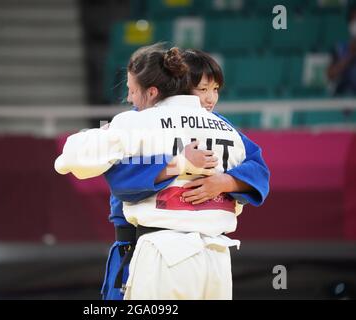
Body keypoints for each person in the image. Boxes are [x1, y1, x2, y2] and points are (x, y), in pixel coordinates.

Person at [55, 44, 269, 299]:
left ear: (154, 90)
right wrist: (225, 180)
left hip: (159, 250)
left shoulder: (138, 123)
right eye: (203, 90)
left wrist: (222, 181)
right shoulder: (224, 128)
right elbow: (259, 169)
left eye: (132, 91)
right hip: (217, 255)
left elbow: (84, 165)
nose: (130, 98)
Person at [327, 6, 356, 96]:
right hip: (343, 98)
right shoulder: (339, 48)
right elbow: (330, 74)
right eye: (354, 20)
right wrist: (351, 54)